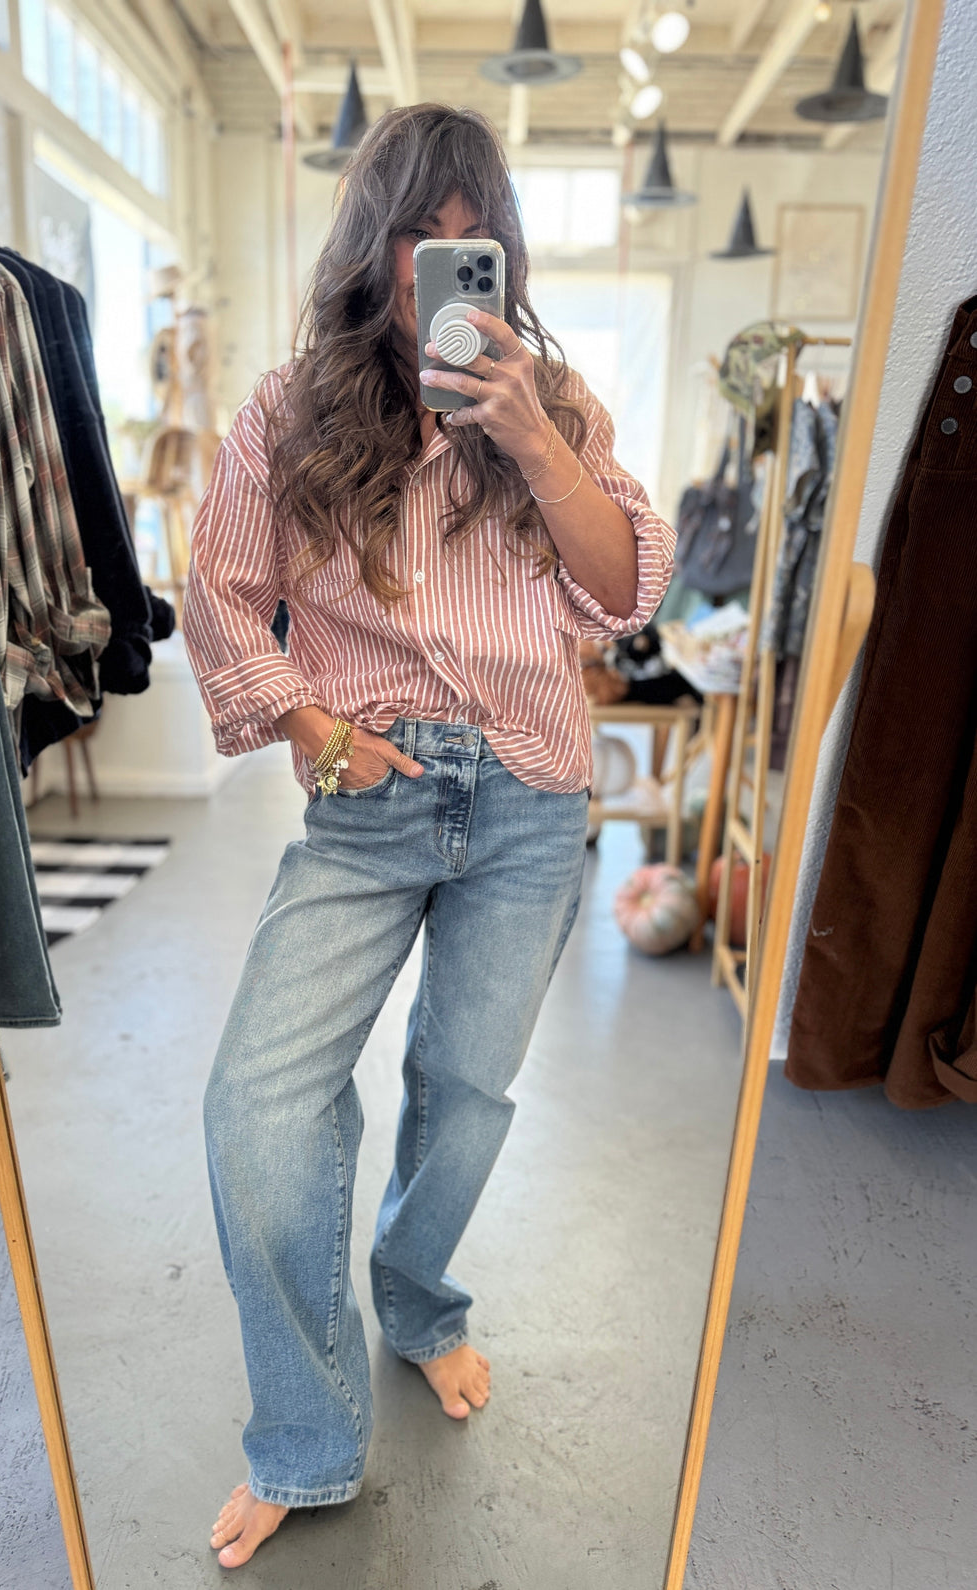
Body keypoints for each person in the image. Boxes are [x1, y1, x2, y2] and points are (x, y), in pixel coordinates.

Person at [183, 102, 674, 1568]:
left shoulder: (558, 409)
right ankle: (307, 1429)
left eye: (463, 231)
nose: (430, 260)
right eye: (410, 226)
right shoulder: (286, 412)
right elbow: (219, 588)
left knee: (466, 1091)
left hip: (529, 798)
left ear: (496, 250)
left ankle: (418, 1299)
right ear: (370, 242)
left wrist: (529, 436)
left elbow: (626, 590)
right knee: (259, 1103)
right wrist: (307, 726)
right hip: (366, 791)